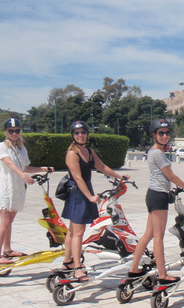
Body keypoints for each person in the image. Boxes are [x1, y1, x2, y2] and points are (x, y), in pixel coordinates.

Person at [128, 118, 184, 284]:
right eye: (161, 133)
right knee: (158, 237)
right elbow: (171, 176)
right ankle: (162, 275)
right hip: (158, 197)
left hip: (153, 195)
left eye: (167, 133)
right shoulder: (158, 154)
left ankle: (133, 269)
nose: (165, 136)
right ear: (154, 135)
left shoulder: (153, 151)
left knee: (148, 235)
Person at [61, 120, 130, 282]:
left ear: (87, 134)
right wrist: (90, 197)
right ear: (73, 135)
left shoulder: (89, 151)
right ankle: (77, 268)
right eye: (77, 133)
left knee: (72, 231)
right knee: (78, 232)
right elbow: (77, 178)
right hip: (78, 194)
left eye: (83, 132)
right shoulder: (72, 154)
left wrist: (121, 177)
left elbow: (102, 167)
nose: (80, 135)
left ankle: (67, 262)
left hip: (85, 191)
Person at [0, 118, 54, 264]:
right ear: (6, 132)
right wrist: (24, 176)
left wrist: (43, 168)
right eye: (11, 131)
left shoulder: (22, 149)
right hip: (6, 187)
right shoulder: (1, 146)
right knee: (5, 221)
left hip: (18, 188)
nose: (14, 133)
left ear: (20, 131)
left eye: (17, 130)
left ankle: (7, 250)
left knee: (9, 221)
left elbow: (25, 167)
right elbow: (9, 163)